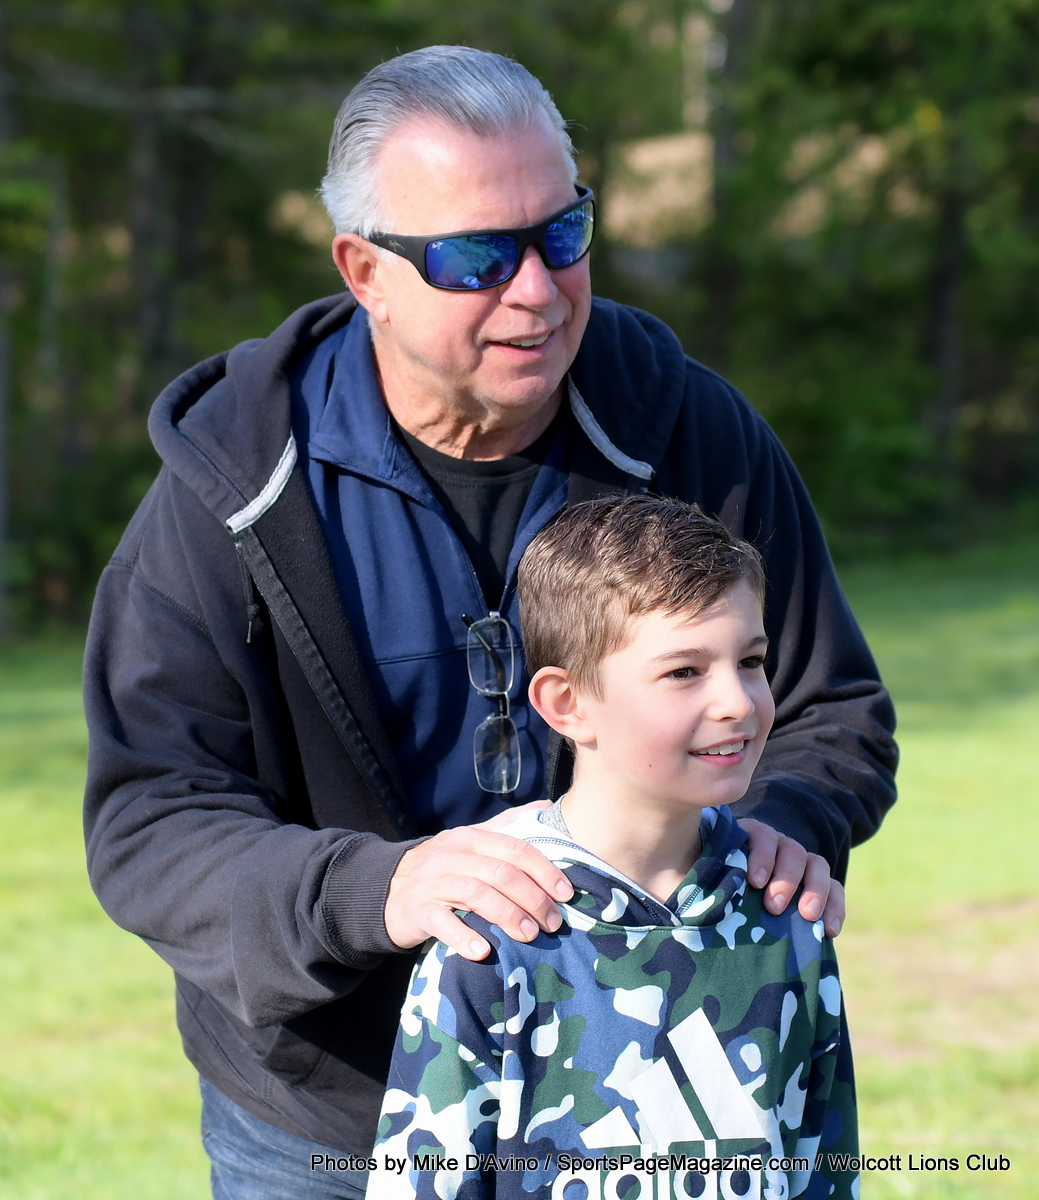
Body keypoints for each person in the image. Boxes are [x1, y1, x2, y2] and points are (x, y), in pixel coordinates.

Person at [82, 44, 893, 1200]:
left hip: (638, 1089)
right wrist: (379, 889)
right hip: (324, 1118)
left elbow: (830, 709)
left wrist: (777, 823)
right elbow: (151, 816)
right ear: (364, 270)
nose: (536, 290)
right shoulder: (236, 482)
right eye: (476, 257)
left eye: (562, 234)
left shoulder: (689, 431)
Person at [369, 496, 859, 1200]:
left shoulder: (787, 915)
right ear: (567, 704)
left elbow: (823, 1165)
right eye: (684, 672)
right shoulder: (495, 936)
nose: (737, 701)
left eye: (750, 661)